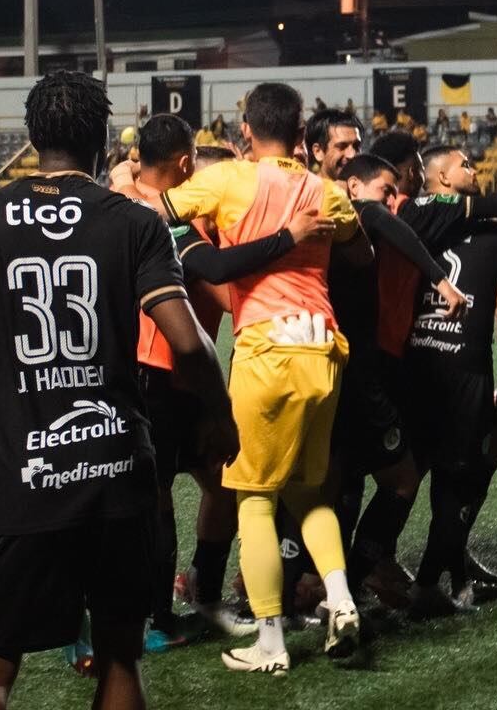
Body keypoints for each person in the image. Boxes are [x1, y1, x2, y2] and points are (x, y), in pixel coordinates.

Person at [0, 71, 238, 710]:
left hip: (21, 478)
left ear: (34, 137)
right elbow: (190, 342)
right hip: (117, 472)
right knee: (120, 661)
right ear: (102, 142)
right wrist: (220, 416)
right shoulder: (134, 222)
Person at [112, 82, 371, 674]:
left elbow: (156, 210)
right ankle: (342, 599)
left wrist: (127, 180)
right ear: (303, 133)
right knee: (309, 493)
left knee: (252, 498)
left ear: (246, 132)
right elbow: (359, 247)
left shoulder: (229, 179)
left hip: (267, 348)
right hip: (325, 348)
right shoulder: (325, 192)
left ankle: (272, 643)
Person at [328, 154, 466, 608]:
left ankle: (321, 583)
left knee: (343, 481)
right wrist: (441, 280)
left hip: (343, 367)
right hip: (362, 372)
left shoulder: (334, 215)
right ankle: (349, 578)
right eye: (386, 188)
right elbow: (385, 223)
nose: (392, 199)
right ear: (354, 186)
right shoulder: (362, 213)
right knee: (401, 479)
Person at [404, 146, 497, 615]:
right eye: (465, 165)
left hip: (411, 366)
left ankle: (351, 574)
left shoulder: (412, 224)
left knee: (401, 479)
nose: (474, 169)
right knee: (457, 481)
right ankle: (428, 584)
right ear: (442, 178)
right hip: (464, 372)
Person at [305, 108, 363, 181]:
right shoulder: (304, 191)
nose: (351, 155)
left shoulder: (371, 190)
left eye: (356, 146)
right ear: (318, 151)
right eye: (342, 146)